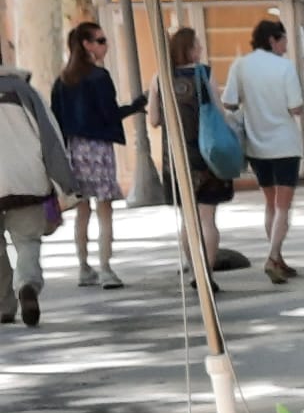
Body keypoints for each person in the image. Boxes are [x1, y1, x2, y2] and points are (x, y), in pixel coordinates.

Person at [50, 20, 144, 291]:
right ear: (87, 45)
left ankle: (83, 267)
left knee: (82, 211)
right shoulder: (99, 77)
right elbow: (109, 113)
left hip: (74, 150)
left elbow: (56, 118)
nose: (106, 45)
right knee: (105, 210)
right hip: (99, 149)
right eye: (101, 40)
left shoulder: (62, 80)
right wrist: (136, 106)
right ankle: (105, 268)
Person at [222, 18, 304, 283]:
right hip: (284, 144)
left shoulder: (241, 65)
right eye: (283, 40)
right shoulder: (285, 67)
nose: (285, 46)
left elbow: (229, 102)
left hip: (256, 146)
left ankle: (278, 257)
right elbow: (296, 108)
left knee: (270, 203)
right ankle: (272, 257)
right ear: (273, 40)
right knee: (283, 206)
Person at [150, 27, 234, 290]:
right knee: (208, 218)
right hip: (207, 156)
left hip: (175, 158)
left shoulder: (159, 78)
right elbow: (219, 113)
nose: (200, 48)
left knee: (188, 220)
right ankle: (207, 274)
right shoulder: (204, 74)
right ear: (188, 49)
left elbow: (153, 119)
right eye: (197, 44)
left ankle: (194, 268)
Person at [0, 59, 73, 327]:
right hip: (27, 180)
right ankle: (27, 285)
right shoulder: (24, 92)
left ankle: (3, 307)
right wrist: (66, 181)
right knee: (28, 241)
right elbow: (50, 137)